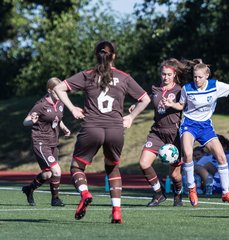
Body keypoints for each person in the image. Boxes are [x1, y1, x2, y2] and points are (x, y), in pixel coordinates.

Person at [54, 40, 150, 223]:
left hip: (91, 128)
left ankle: (85, 193)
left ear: (96, 56)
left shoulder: (87, 75)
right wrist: (131, 117)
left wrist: (73, 108)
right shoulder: (124, 77)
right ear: (113, 56)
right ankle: (116, 211)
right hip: (115, 129)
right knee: (112, 168)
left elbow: (59, 88)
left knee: (76, 167)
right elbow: (145, 99)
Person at [163, 62, 229, 206]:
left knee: (222, 157)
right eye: (194, 77)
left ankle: (226, 193)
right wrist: (172, 104)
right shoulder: (187, 88)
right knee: (188, 154)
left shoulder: (215, 86)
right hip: (189, 124)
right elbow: (181, 105)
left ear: (206, 76)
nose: (196, 80)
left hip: (205, 126)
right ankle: (192, 188)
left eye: (199, 77)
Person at [134, 58, 185, 207]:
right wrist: (135, 107)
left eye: (169, 74)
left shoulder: (180, 90)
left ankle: (178, 194)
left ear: (174, 74)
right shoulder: (156, 89)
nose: (166, 77)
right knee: (144, 163)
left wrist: (173, 105)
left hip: (174, 134)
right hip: (157, 132)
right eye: (163, 74)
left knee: (174, 174)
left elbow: (184, 106)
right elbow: (149, 100)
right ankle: (159, 193)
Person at [22, 77, 71, 207]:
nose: (60, 94)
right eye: (57, 91)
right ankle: (55, 199)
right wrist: (31, 121)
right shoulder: (41, 105)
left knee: (47, 174)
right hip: (41, 142)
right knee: (56, 171)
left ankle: (29, 189)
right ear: (50, 91)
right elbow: (25, 121)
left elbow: (57, 119)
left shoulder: (60, 103)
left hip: (53, 142)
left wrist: (64, 128)